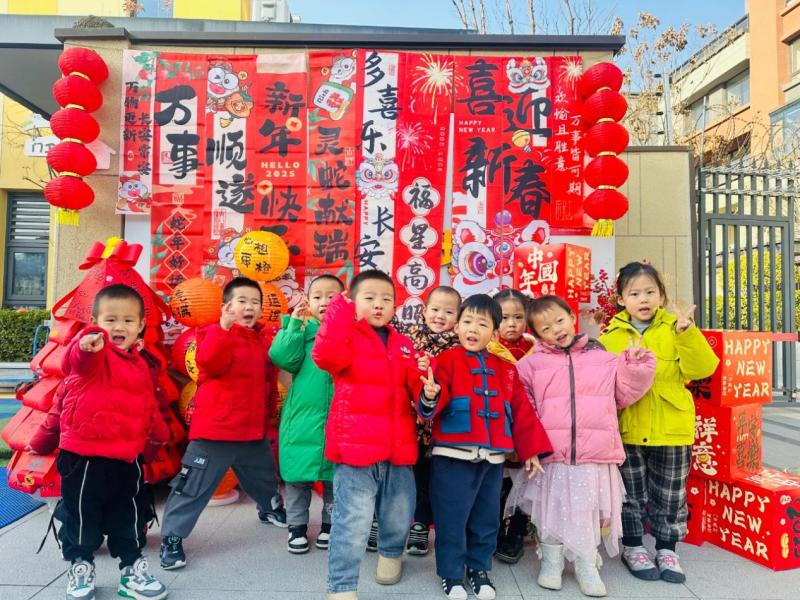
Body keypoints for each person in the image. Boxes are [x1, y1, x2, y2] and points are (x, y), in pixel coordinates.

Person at [511, 295, 656, 597]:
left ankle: (587, 566)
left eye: (559, 320)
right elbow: (524, 409)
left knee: (587, 512)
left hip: (594, 454)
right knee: (551, 512)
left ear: (571, 316)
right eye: (546, 328)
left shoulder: (602, 358)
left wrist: (635, 365)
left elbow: (625, 393)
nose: (556, 329)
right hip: (551, 454)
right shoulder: (529, 366)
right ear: (537, 335)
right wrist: (531, 446)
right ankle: (550, 563)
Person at [34, 284, 170, 600]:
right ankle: (81, 567)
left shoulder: (140, 365)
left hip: (126, 459)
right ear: (95, 322)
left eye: (128, 320)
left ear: (140, 326)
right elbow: (74, 362)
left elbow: (147, 405)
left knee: (128, 516)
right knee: (82, 516)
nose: (119, 326)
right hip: (84, 458)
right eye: (110, 320)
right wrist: (86, 346)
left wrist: (159, 436)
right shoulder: (92, 355)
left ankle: (132, 570)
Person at [419, 294, 553, 600]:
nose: (473, 329)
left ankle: (478, 569)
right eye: (467, 321)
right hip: (452, 458)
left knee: (486, 519)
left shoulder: (506, 369)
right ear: (456, 326)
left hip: (492, 460)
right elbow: (431, 400)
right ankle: (452, 573)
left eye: (482, 324)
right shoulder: (445, 361)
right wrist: (430, 395)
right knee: (451, 519)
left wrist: (531, 449)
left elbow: (521, 412)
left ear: (494, 332)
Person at [312, 269, 428, 600]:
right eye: (370, 298)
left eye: (386, 299)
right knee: (352, 522)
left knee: (399, 514)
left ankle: (391, 555)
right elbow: (325, 355)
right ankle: (342, 586)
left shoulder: (403, 344)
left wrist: (429, 392)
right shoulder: (345, 336)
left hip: (398, 448)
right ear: (353, 302)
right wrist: (338, 310)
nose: (379, 304)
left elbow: (417, 388)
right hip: (355, 450)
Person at [599, 262, 718, 584]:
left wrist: (687, 334)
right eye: (635, 293)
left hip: (671, 426)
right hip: (628, 427)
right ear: (621, 299)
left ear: (662, 296)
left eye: (650, 292)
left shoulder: (676, 328)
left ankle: (667, 549)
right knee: (630, 494)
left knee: (670, 494)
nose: (643, 299)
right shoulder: (610, 337)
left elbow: (702, 368)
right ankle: (633, 547)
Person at [159, 276, 281, 570]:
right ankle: (172, 538)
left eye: (255, 302)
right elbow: (209, 362)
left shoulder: (261, 340)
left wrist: (267, 415)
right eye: (242, 301)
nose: (249, 307)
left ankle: (270, 509)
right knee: (192, 486)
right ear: (226, 306)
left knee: (265, 477)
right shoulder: (211, 333)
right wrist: (224, 328)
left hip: (252, 431)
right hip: (216, 432)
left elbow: (269, 381)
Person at [268, 274, 344, 554]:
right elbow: (281, 358)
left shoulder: (349, 332)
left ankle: (330, 526)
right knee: (297, 477)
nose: (324, 302)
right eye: (317, 296)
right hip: (302, 419)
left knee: (335, 477)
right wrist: (293, 326)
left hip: (338, 418)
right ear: (308, 302)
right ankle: (297, 527)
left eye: (332, 296)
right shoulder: (302, 331)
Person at [393, 285, 462, 556]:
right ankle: (397, 522)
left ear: (458, 317)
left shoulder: (459, 345)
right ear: (424, 310)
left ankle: (423, 523)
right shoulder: (409, 337)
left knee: (434, 478)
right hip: (410, 422)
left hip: (443, 425)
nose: (440, 316)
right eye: (435, 309)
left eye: (449, 312)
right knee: (411, 474)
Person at [486, 289, 535, 564]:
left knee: (524, 481)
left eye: (518, 317)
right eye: (504, 318)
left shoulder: (536, 347)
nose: (512, 324)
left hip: (527, 422)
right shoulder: (487, 347)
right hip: (497, 424)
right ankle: (492, 530)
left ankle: (516, 531)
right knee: (497, 482)